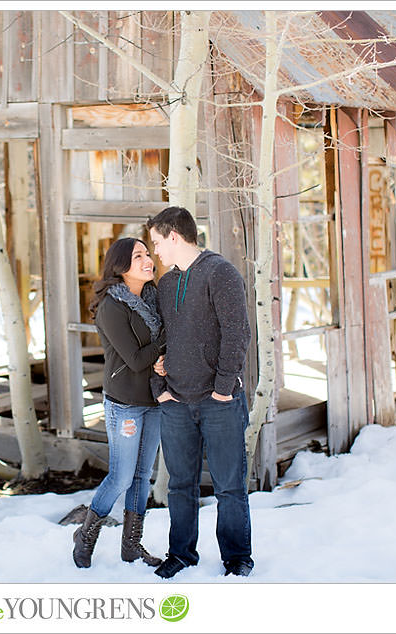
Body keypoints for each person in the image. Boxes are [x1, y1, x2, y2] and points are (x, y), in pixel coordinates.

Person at [145, 206, 254, 579]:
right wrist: (160, 385)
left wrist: (224, 389)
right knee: (179, 486)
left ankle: (237, 558)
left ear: (174, 236)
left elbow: (237, 334)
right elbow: (160, 341)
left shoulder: (220, 273)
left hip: (218, 403)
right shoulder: (167, 284)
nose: (155, 251)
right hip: (176, 402)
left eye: (157, 242)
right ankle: (180, 554)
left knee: (229, 487)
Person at [72, 237, 165, 569]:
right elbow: (137, 359)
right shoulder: (112, 307)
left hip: (153, 400)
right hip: (125, 403)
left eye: (147, 253)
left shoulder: (153, 298)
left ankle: (131, 546)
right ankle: (85, 537)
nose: (147, 259)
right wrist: (162, 348)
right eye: (138, 255)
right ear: (121, 266)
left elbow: (154, 353)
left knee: (143, 476)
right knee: (122, 476)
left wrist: (163, 359)